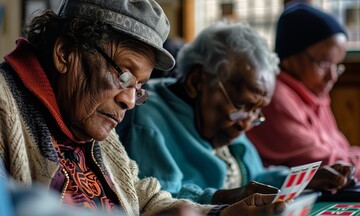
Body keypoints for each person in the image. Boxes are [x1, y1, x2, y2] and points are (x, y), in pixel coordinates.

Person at [0, 0, 288, 215]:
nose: (128, 99)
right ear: (65, 53)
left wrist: (218, 213)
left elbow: (141, 195)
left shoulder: (88, 119)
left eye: (138, 87)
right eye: (123, 75)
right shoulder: (6, 104)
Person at [117, 21, 355, 206]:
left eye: (257, 111)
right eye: (243, 107)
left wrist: (306, 178)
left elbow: (257, 177)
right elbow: (159, 202)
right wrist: (230, 197)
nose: (247, 123)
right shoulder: (146, 119)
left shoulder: (233, 118)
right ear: (197, 81)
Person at [247, 0, 360, 179]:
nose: (332, 77)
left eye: (337, 65)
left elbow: (341, 150)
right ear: (289, 57)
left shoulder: (314, 93)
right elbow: (327, 166)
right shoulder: (275, 98)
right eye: (323, 63)